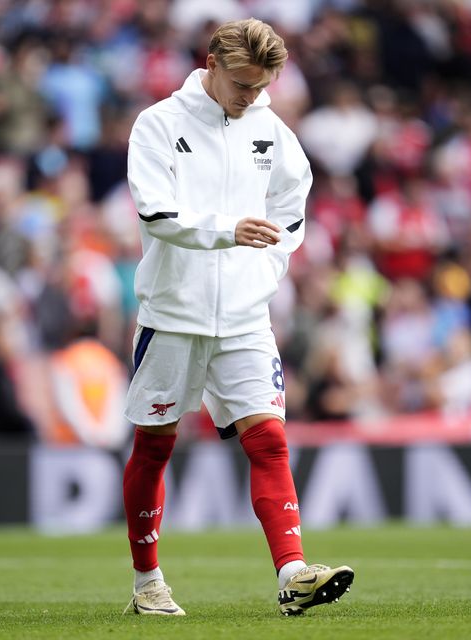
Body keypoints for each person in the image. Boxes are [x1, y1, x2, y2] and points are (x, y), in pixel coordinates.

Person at [122, 18, 354, 618]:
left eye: (261, 86)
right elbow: (155, 213)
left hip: (246, 317)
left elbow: (292, 204)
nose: (251, 97)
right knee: (155, 445)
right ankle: (148, 583)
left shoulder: (271, 131)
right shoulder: (159, 123)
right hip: (173, 312)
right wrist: (229, 234)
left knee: (270, 441)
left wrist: (269, 263)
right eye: (243, 84)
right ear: (211, 63)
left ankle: (293, 573)